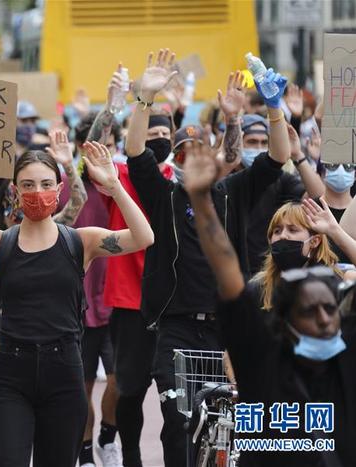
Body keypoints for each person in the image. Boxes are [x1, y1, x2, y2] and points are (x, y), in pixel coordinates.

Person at [0, 143, 154, 467]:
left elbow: (143, 237)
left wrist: (114, 185)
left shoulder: (80, 240)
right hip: (10, 375)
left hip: (64, 373)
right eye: (29, 185)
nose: (38, 192)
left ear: (60, 189)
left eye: (47, 184)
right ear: (16, 191)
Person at [124, 49, 289, 466]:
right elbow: (136, 154)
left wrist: (272, 109)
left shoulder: (234, 193)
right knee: (178, 421)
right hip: (176, 330)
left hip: (226, 330)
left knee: (233, 423)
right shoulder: (165, 198)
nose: (192, 159)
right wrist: (145, 97)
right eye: (182, 153)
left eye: (201, 150)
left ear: (216, 156)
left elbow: (277, 159)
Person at [184, 139, 356, 467]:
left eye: (329, 308)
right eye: (308, 310)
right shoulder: (263, 365)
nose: (323, 318)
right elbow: (225, 268)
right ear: (285, 321)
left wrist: (334, 228)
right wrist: (201, 201)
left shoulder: (344, 366)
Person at [85, 67, 175, 467]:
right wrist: (114, 107)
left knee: (176, 395)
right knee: (127, 387)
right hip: (128, 300)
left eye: (163, 135)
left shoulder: (182, 180)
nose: (158, 141)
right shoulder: (119, 174)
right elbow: (89, 159)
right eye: (150, 135)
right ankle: (125, 451)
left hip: (174, 303)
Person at [0, 130, 88, 362]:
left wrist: (67, 165)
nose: (19, 209)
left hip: (42, 329)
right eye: (12, 203)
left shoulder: (55, 232)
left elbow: (78, 200)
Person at [69, 112, 122, 467]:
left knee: (121, 383)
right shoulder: (68, 186)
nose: (105, 153)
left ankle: (108, 435)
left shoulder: (123, 185)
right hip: (79, 306)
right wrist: (111, 104)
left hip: (118, 301)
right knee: (83, 386)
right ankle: (86, 450)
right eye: (97, 146)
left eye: (111, 145)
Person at [244, 113, 325, 275]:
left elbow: (319, 197)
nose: (258, 147)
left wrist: (297, 155)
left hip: (271, 269)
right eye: (252, 142)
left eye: (264, 142)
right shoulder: (226, 182)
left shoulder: (280, 180)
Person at [249, 199, 356, 310]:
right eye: (277, 231)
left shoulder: (339, 281)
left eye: (292, 230)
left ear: (314, 241)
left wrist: (335, 231)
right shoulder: (258, 288)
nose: (283, 236)